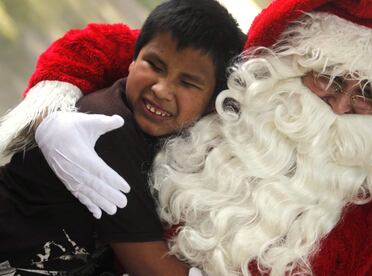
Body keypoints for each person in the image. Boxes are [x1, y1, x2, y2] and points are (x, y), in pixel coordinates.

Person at [1, 0, 372, 275]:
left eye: (367, 96)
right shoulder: (241, 93)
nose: (340, 107)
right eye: (328, 78)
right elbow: (126, 46)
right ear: (289, 68)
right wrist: (55, 104)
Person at [0, 0, 245, 275]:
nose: (162, 89)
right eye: (155, 65)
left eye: (187, 83)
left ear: (212, 104)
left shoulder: (166, 139)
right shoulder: (108, 128)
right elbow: (150, 266)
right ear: (131, 60)